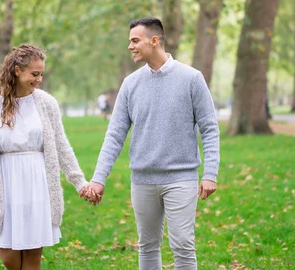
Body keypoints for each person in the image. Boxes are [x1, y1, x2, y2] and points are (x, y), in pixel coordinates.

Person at [82, 17, 220, 270]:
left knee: (183, 246)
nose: (130, 46)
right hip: (142, 180)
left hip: (181, 178)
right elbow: (114, 135)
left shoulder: (191, 78)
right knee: (147, 245)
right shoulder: (130, 84)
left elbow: (210, 129)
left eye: (135, 40)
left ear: (154, 41)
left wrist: (210, 173)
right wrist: (99, 178)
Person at [0, 44, 97, 270]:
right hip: (6, 185)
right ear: (17, 71)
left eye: (41, 74)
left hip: (37, 183)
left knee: (32, 256)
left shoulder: (46, 103)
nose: (39, 79)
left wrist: (80, 182)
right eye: (34, 74)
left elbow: (61, 146)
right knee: (9, 258)